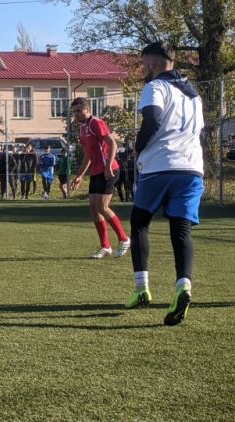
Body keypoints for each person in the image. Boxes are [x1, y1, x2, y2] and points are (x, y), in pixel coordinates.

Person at [125, 42, 204, 326]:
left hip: (160, 166)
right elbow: (200, 134)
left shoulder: (156, 87)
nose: (143, 69)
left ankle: (141, 288)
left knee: (140, 222)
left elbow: (154, 119)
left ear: (155, 64)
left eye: (144, 64)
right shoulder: (194, 95)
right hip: (192, 169)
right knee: (181, 230)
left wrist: (138, 146)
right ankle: (183, 286)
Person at [69, 97, 130, 259]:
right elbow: (88, 155)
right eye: (74, 111)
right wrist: (80, 176)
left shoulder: (96, 123)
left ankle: (124, 239)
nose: (77, 114)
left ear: (87, 110)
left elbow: (113, 144)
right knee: (93, 208)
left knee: (102, 207)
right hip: (96, 172)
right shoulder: (82, 129)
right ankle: (105, 246)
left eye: (79, 110)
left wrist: (109, 166)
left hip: (109, 170)